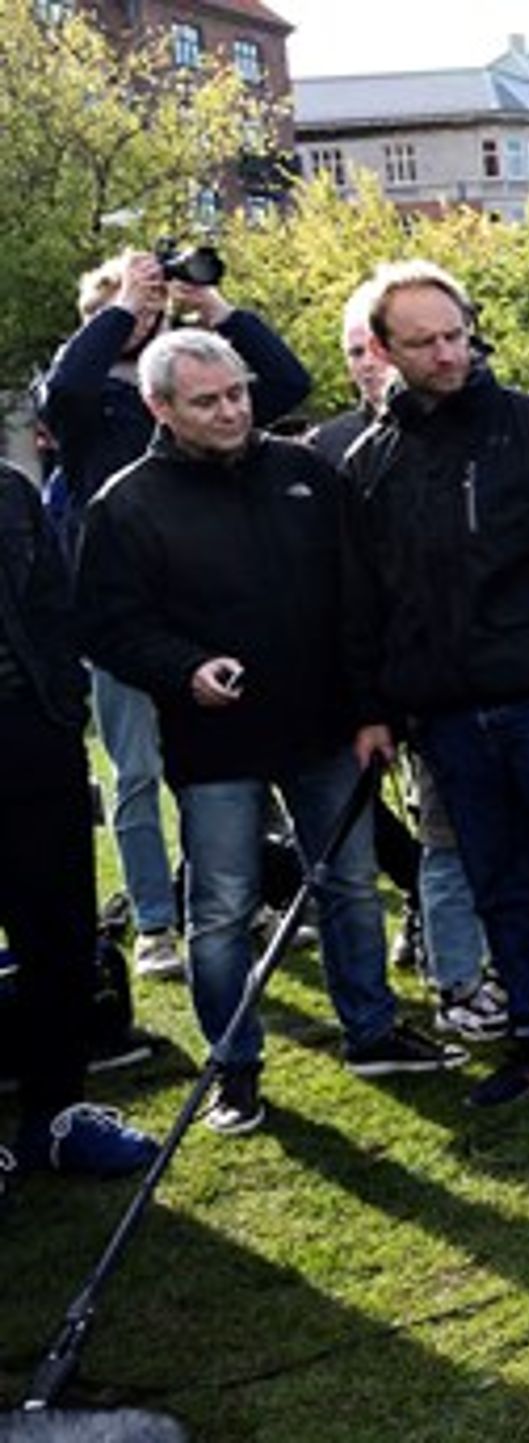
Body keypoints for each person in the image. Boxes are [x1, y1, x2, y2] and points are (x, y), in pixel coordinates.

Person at [78, 329, 464, 1138]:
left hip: (327, 727)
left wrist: (371, 709)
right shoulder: (126, 502)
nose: (230, 412)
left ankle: (372, 1029)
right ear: (160, 407)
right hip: (214, 744)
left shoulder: (304, 473)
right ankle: (235, 1064)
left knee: (353, 885)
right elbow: (110, 625)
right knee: (221, 909)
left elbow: (359, 595)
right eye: (207, 401)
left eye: (238, 395)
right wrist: (184, 668)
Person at [341, 260, 529, 1134]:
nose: (448, 353)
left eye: (456, 333)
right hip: (443, 711)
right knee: (500, 883)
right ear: (383, 349)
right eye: (425, 341)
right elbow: (365, 598)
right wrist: (375, 705)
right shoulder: (373, 460)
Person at [37, 250, 311, 979]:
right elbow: (64, 385)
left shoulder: (201, 389)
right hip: (125, 612)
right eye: (131, 311)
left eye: (156, 310)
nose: (146, 320)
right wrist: (122, 305)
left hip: (213, 606)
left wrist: (215, 310)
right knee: (135, 770)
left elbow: (286, 384)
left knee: (235, 764)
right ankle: (156, 919)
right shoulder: (87, 404)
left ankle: (251, 893)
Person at [308, 283, 505, 1043]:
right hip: (416, 683)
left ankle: (499, 966)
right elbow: (354, 588)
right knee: (446, 835)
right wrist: (374, 698)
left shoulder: (489, 427)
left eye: (374, 347)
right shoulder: (338, 451)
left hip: (500, 670)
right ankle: (455, 974)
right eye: (355, 350)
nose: (367, 363)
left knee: (506, 837)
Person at [1, 461, 157, 1179]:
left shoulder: (11, 490)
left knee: (60, 934)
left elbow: (54, 605)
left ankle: (55, 1113)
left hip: (33, 737)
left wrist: (61, 707)